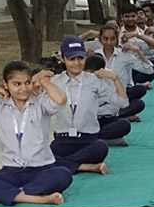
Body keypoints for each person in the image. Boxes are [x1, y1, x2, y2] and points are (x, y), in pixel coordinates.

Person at [0, 61, 73, 205]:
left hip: (41, 169)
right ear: (6, 85)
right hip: (11, 171)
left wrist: (43, 81)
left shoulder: (40, 101)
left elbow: (61, 99)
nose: (24, 88)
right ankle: (37, 198)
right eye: (17, 84)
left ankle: (7, 193)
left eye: (28, 82)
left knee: (63, 174)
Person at [49, 36, 128, 174]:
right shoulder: (54, 82)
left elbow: (123, 102)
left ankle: (63, 164)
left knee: (101, 147)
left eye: (80, 58)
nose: (76, 63)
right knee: (47, 152)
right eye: (71, 59)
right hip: (63, 140)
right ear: (63, 59)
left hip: (88, 140)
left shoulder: (94, 80)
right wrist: (38, 79)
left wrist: (115, 78)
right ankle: (86, 166)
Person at [84, 54, 134, 146]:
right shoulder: (81, 81)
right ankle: (102, 140)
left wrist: (98, 108)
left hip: (107, 118)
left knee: (124, 124)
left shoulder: (109, 78)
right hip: (89, 120)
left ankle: (94, 139)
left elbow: (115, 107)